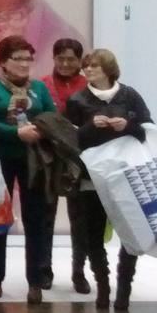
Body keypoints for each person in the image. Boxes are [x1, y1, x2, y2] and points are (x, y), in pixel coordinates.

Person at [66, 48, 152, 311]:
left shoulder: (129, 95)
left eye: (94, 66)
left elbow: (148, 129)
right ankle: (102, 285)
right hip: (92, 177)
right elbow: (69, 138)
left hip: (125, 175)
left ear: (108, 69)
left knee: (129, 231)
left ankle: (124, 287)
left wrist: (127, 126)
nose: (88, 70)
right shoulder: (78, 99)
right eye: (86, 66)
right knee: (92, 234)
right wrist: (91, 127)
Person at [0, 35, 57, 304]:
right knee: (0, 219)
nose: (25, 64)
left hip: (34, 160)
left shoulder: (40, 88)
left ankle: (35, 281)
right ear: (3, 62)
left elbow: (51, 117)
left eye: (28, 58)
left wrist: (39, 130)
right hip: (1, 158)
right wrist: (16, 133)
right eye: (18, 58)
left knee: (35, 219)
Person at [41, 37, 90, 294]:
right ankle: (44, 271)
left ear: (80, 61)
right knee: (46, 217)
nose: (66, 63)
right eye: (61, 58)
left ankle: (78, 272)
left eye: (71, 59)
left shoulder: (88, 86)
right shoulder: (42, 85)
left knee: (79, 219)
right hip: (48, 158)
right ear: (54, 58)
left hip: (78, 160)